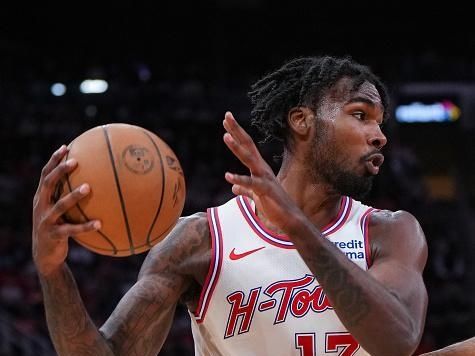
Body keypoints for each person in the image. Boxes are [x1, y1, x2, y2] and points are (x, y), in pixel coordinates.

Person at [32, 56, 428, 356]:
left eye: (380, 123)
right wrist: (52, 271)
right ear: (302, 121)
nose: (379, 137)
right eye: (360, 115)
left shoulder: (389, 232)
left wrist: (296, 227)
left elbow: (397, 342)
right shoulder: (200, 241)